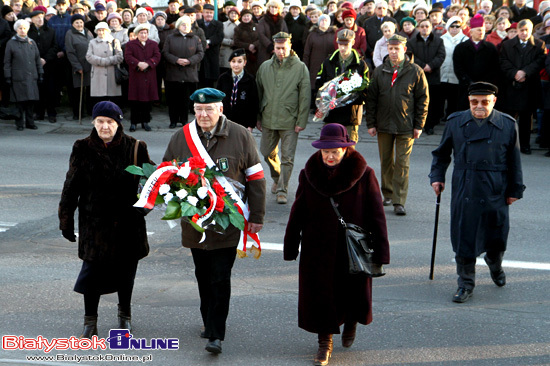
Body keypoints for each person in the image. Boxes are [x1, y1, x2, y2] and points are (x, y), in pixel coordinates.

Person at [162, 87, 266, 355]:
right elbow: (166, 173)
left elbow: (255, 178)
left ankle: (216, 333)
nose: (204, 114)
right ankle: (208, 320)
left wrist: (256, 216)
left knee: (220, 277)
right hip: (195, 224)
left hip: (227, 223)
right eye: (199, 109)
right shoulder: (181, 137)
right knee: (202, 275)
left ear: (221, 109)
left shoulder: (241, 135)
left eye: (209, 109)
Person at [284, 123, 390, 366]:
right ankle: (325, 343)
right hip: (317, 248)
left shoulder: (365, 174)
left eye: (335, 151)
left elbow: (376, 215)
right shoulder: (308, 174)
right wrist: (290, 246)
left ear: (346, 149)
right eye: (325, 152)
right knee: (321, 295)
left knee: (352, 293)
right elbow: (297, 212)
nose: (330, 156)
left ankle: (351, 321)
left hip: (352, 247)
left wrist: (382, 252)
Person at [59, 101, 153, 338]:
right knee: (91, 275)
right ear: (94, 122)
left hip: (128, 223)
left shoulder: (135, 146)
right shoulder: (82, 147)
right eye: (100, 121)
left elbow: (153, 181)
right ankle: (90, 321)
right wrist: (66, 219)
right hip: (95, 224)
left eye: (109, 122)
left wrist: (143, 208)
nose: (104, 126)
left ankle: (125, 317)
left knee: (126, 274)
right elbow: (71, 185)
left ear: (118, 123)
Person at [429, 82, 525, 303]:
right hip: (466, 185)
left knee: (497, 236)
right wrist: (437, 177)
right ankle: (465, 284)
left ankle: (495, 264)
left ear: (493, 101)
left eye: (484, 102)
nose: (479, 106)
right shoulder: (455, 122)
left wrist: (514, 190)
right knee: (465, 237)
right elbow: (441, 154)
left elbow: (515, 162)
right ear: (469, 102)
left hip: (496, 187)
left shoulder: (508, 125)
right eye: (474, 102)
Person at [365, 34, 429, 216]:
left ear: (404, 50)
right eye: (390, 49)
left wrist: (419, 125)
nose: (393, 52)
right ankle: (388, 194)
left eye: (397, 49)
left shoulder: (415, 71)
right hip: (383, 124)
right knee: (386, 161)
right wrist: (371, 123)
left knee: (402, 163)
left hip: (406, 125)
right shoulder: (379, 71)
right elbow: (371, 100)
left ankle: (399, 201)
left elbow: (423, 100)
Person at [256, 31, 310, 204]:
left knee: (287, 157)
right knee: (265, 153)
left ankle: (282, 189)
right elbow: (258, 93)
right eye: (278, 48)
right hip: (268, 117)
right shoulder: (265, 67)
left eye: (284, 48)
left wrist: (301, 121)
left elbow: (305, 95)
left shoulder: (300, 67)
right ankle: (277, 177)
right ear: (273, 47)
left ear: (290, 46)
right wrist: (257, 117)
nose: (281, 51)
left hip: (290, 119)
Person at [499, 19, 545, 154]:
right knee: (509, 117)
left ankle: (524, 144)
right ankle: (507, 144)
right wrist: (515, 73)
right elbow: (502, 61)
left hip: (529, 85)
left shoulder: (538, 44)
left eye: (527, 30)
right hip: (511, 85)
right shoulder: (507, 45)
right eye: (521, 30)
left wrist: (525, 72)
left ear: (531, 31)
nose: (524, 33)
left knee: (527, 117)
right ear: (517, 30)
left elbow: (540, 61)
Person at [316, 29, 369, 142]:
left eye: (346, 44)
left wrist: (347, 98)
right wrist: (323, 102)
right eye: (340, 44)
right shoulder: (328, 62)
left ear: (353, 42)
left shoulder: (360, 65)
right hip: (331, 115)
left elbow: (366, 90)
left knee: (348, 152)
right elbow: (319, 84)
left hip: (350, 116)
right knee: (329, 149)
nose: (343, 48)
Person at [163, 15, 204, 128]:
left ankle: (184, 120)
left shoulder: (195, 38)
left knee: (185, 99)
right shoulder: (170, 38)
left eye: (187, 24)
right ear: (178, 26)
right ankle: (173, 120)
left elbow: (200, 53)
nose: (185, 26)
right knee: (173, 99)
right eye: (183, 24)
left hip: (189, 73)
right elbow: (165, 53)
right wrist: (176, 60)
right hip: (173, 72)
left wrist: (189, 61)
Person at [406, 18, 445, 135]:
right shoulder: (411, 42)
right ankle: (417, 125)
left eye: (427, 26)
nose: (424, 28)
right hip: (417, 75)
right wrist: (422, 66)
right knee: (417, 101)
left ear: (431, 27)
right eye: (422, 26)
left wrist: (430, 66)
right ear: (418, 28)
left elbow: (441, 55)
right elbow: (410, 56)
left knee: (431, 102)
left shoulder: (438, 41)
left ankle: (429, 125)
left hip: (433, 75)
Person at [453, 14, 499, 110]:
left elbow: (494, 68)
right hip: (466, 87)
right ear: (471, 32)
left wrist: (484, 82)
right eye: (478, 30)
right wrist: (468, 82)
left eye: (482, 30)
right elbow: (458, 68)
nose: (481, 32)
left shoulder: (491, 48)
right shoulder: (461, 48)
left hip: (486, 87)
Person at [4, 19, 43, 131]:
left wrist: (40, 73)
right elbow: (7, 61)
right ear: (16, 29)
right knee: (20, 102)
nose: (22, 30)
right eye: (20, 28)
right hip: (18, 77)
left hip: (31, 76)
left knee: (31, 101)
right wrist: (7, 76)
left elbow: (37, 59)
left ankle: (30, 122)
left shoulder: (32, 42)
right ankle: (19, 123)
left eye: (24, 28)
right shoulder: (11, 43)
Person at [125, 23, 160, 132]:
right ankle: (134, 123)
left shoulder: (153, 44)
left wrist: (149, 63)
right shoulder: (130, 44)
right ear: (137, 34)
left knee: (147, 101)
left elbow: (157, 56)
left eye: (145, 33)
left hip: (149, 75)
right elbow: (128, 56)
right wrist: (138, 64)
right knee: (135, 101)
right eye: (141, 33)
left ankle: (145, 122)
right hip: (136, 76)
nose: (144, 35)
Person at [28, 8, 59, 123]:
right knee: (37, 89)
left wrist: (45, 59)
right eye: (37, 17)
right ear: (32, 19)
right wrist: (37, 59)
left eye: (42, 17)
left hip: (49, 64)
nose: (40, 19)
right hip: (34, 65)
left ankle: (51, 113)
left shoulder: (51, 31)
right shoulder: (29, 32)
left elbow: (55, 46)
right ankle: (39, 112)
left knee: (50, 89)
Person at [216, 48, 259, 131]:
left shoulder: (250, 80)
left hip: (243, 122)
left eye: (239, 61)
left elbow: (254, 103)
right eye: (233, 61)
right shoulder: (223, 78)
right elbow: (217, 100)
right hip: (225, 119)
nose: (236, 65)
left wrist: (251, 124)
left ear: (245, 63)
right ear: (230, 63)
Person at [303, 13, 336, 109]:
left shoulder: (334, 34)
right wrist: (305, 65)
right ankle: (314, 106)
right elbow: (307, 52)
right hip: (315, 64)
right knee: (315, 85)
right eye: (322, 20)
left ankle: (327, 105)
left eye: (326, 20)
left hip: (329, 64)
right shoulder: (312, 35)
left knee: (327, 85)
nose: (323, 22)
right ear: (318, 22)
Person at [85, 22, 123, 106]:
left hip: (112, 74)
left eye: (103, 30)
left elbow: (120, 57)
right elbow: (89, 56)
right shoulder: (92, 42)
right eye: (99, 30)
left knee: (113, 100)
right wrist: (102, 61)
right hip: (98, 74)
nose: (101, 32)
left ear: (107, 31)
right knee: (99, 100)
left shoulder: (115, 41)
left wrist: (108, 60)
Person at [65, 13, 94, 119]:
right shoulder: (70, 34)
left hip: (90, 65)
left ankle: (91, 111)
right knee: (78, 91)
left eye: (81, 22)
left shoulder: (88, 32)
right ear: (72, 24)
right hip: (78, 66)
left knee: (90, 90)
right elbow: (70, 52)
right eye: (76, 22)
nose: (79, 24)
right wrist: (77, 66)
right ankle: (78, 113)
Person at [440, 16, 468, 119]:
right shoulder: (441, 39)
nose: (455, 28)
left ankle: (451, 117)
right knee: (441, 97)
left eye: (458, 26)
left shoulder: (465, 39)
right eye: (452, 26)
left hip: (456, 75)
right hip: (442, 73)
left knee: (454, 98)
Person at [198, 4, 223, 87]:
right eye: (207, 12)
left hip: (213, 54)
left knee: (212, 80)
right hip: (200, 55)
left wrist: (208, 42)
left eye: (211, 13)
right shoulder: (198, 24)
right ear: (203, 13)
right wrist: (203, 44)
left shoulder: (219, 24)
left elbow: (219, 36)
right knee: (201, 79)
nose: (209, 14)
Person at [256, 0, 287, 65]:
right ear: (268, 8)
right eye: (272, 7)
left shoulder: (281, 21)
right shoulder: (263, 20)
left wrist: (279, 46)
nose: (273, 9)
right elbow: (261, 34)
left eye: (276, 7)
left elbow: (285, 33)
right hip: (265, 50)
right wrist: (270, 46)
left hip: (279, 50)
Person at [233, 8, 260, 75]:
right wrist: (248, 46)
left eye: (248, 16)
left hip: (256, 54)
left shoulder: (257, 26)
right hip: (243, 54)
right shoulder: (238, 28)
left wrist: (254, 45)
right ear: (241, 17)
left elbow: (261, 38)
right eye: (244, 16)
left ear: (251, 16)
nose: (246, 18)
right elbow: (236, 41)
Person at [219, 6, 239, 75]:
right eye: (232, 13)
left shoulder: (241, 25)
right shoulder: (223, 25)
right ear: (228, 15)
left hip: (237, 53)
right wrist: (230, 42)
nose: (233, 15)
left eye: (235, 13)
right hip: (225, 53)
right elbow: (219, 38)